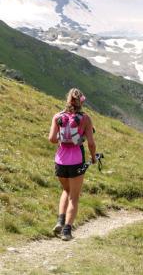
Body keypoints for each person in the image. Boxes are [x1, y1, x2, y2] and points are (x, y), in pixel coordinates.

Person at [48, 88, 96, 240]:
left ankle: (60, 221)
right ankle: (67, 231)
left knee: (66, 190)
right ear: (81, 102)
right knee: (74, 197)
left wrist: (63, 140)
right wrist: (93, 158)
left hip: (60, 161)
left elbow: (52, 139)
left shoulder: (58, 117)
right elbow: (91, 143)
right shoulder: (86, 119)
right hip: (76, 160)